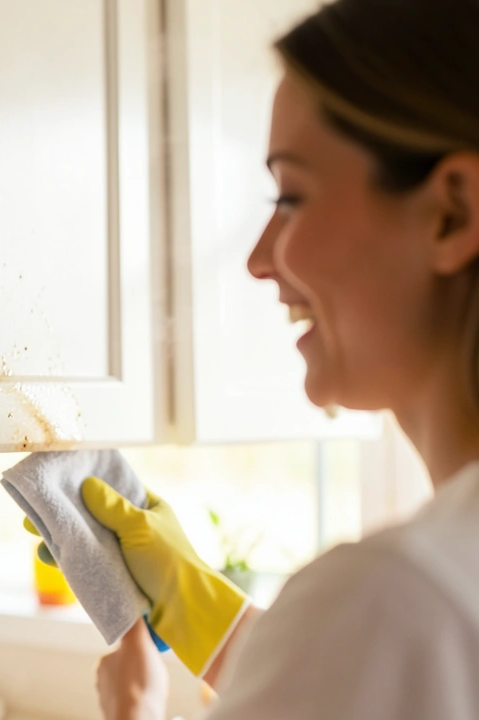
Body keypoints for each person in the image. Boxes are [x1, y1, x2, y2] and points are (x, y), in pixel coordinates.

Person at [88, 0, 479, 717]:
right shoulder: (411, 601)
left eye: (291, 197)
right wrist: (198, 605)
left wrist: (135, 710)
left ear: (452, 213)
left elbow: (379, 646)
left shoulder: (391, 599)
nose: (259, 258)